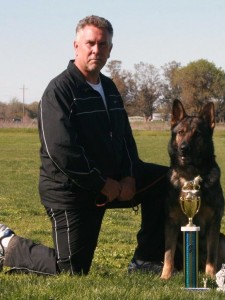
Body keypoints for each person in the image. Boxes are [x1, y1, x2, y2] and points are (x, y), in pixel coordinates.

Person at [0, 15, 168, 275]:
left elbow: (124, 139)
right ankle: (8, 244)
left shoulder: (110, 88)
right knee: (72, 270)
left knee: (166, 180)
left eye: (103, 45)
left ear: (110, 50)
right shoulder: (59, 91)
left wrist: (130, 176)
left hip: (112, 182)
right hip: (70, 192)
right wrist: (102, 183)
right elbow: (62, 152)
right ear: (76, 45)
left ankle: (145, 260)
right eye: (90, 43)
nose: (96, 50)